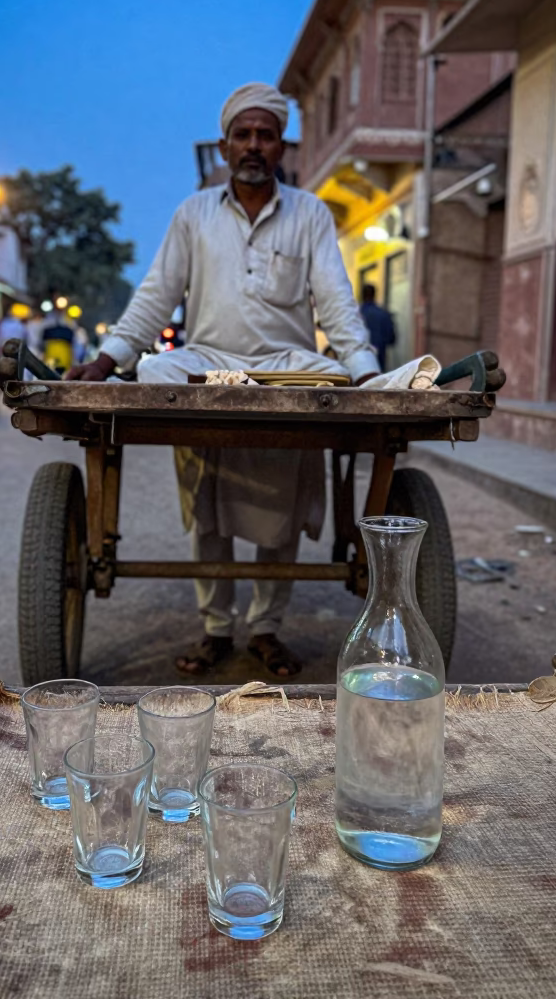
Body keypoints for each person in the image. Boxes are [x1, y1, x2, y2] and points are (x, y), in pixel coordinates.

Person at [68, 82, 380, 678]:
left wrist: (366, 377)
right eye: (244, 135)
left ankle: (265, 630)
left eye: (266, 135)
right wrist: (108, 361)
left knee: (298, 468)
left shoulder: (311, 213)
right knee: (162, 378)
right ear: (224, 146)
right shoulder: (193, 214)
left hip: (286, 371)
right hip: (209, 369)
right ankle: (216, 628)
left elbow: (336, 302)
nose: (254, 145)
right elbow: (156, 295)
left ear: (281, 146)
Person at [359, 283, 396, 372]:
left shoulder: (355, 314)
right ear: (374, 295)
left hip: (358, 363)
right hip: (378, 363)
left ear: (362, 295)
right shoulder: (383, 314)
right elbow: (391, 339)